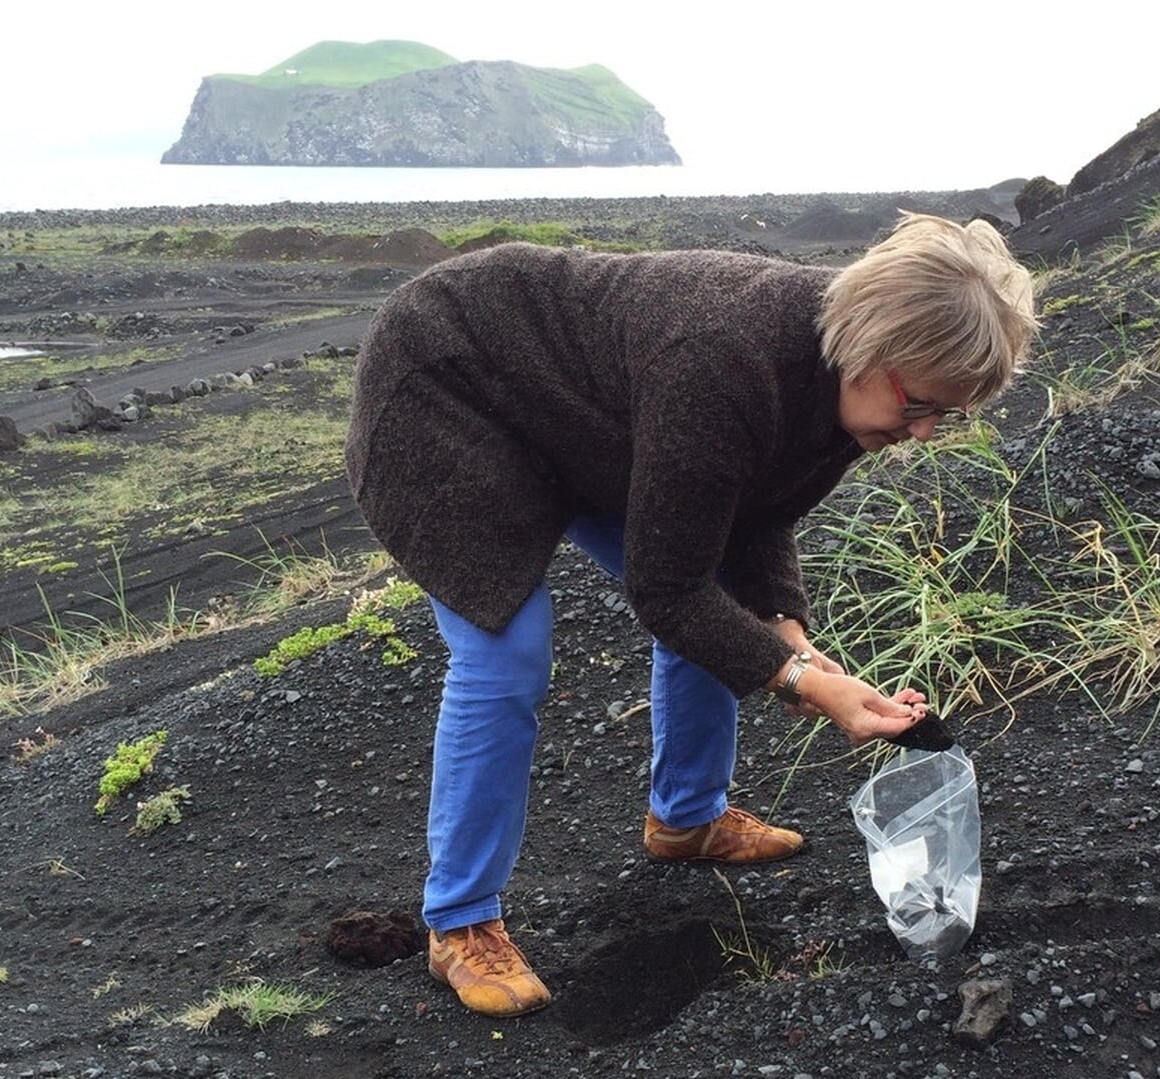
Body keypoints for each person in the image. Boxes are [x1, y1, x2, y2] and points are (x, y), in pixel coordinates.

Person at [343, 211, 1037, 1018]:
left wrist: (792, 639)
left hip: (585, 413)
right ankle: (461, 922)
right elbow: (665, 590)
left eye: (942, 415)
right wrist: (804, 682)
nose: (919, 431)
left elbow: (757, 510)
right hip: (454, 383)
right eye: (918, 404)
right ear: (868, 344)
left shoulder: (857, 382)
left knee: (724, 596)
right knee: (508, 653)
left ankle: (687, 819)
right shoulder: (724, 357)